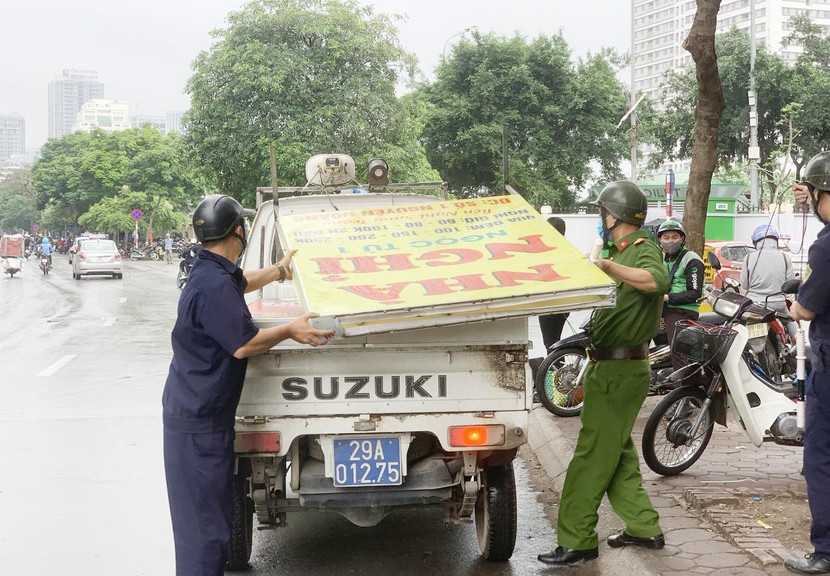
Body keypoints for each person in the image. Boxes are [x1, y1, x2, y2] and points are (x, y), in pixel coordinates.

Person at [162, 194, 334, 576]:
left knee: (211, 523)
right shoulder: (213, 285)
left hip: (196, 414)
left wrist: (279, 271)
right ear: (239, 230)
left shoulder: (212, 270)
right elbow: (243, 345)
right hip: (198, 424)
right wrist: (290, 329)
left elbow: (242, 282)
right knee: (204, 532)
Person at [538, 181, 667, 566]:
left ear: (613, 216)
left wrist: (611, 267)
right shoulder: (612, 251)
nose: (600, 219)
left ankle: (577, 540)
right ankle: (644, 528)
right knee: (618, 453)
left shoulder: (642, 251)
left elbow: (656, 281)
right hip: (607, 366)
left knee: (592, 456)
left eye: (600, 213)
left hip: (619, 370)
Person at [787, 151, 830, 575]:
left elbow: (806, 309)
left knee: (819, 458)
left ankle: (826, 552)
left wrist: (798, 300)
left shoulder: (828, 243)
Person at [657, 219, 704, 370]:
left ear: (682, 239)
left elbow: (695, 293)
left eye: (674, 237)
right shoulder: (662, 259)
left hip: (681, 310)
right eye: (666, 238)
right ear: (660, 240)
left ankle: (684, 389)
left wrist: (667, 298)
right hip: (663, 307)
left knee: (678, 352)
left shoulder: (691, 260)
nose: (670, 241)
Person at [741, 224, 795, 333]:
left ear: (756, 242)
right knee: (791, 321)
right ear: (775, 241)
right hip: (778, 304)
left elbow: (744, 285)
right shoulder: (785, 258)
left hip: (754, 304)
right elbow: (790, 285)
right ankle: (798, 344)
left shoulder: (748, 258)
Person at [538, 216, 570, 351]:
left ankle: (555, 369)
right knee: (554, 340)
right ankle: (557, 368)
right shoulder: (567, 250)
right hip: (562, 302)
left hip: (550, 302)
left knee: (551, 342)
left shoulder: (549, 251)